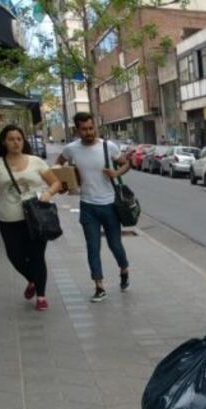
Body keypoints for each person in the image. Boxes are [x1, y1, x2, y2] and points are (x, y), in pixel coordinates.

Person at [0, 124, 62, 311]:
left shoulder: (36, 161)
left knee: (36, 257)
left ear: (23, 141)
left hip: (36, 218)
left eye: (19, 139)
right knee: (15, 256)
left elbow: (56, 183)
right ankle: (32, 280)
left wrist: (48, 194)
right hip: (8, 220)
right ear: (4, 142)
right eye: (11, 139)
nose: (16, 142)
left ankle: (41, 296)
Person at [56, 112, 131, 302]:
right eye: (84, 129)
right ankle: (99, 286)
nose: (88, 132)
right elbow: (58, 165)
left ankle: (124, 268)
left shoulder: (108, 146)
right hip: (87, 206)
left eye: (91, 128)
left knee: (115, 245)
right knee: (92, 247)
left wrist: (115, 172)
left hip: (110, 205)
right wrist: (64, 183)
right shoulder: (71, 149)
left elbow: (126, 164)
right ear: (77, 130)